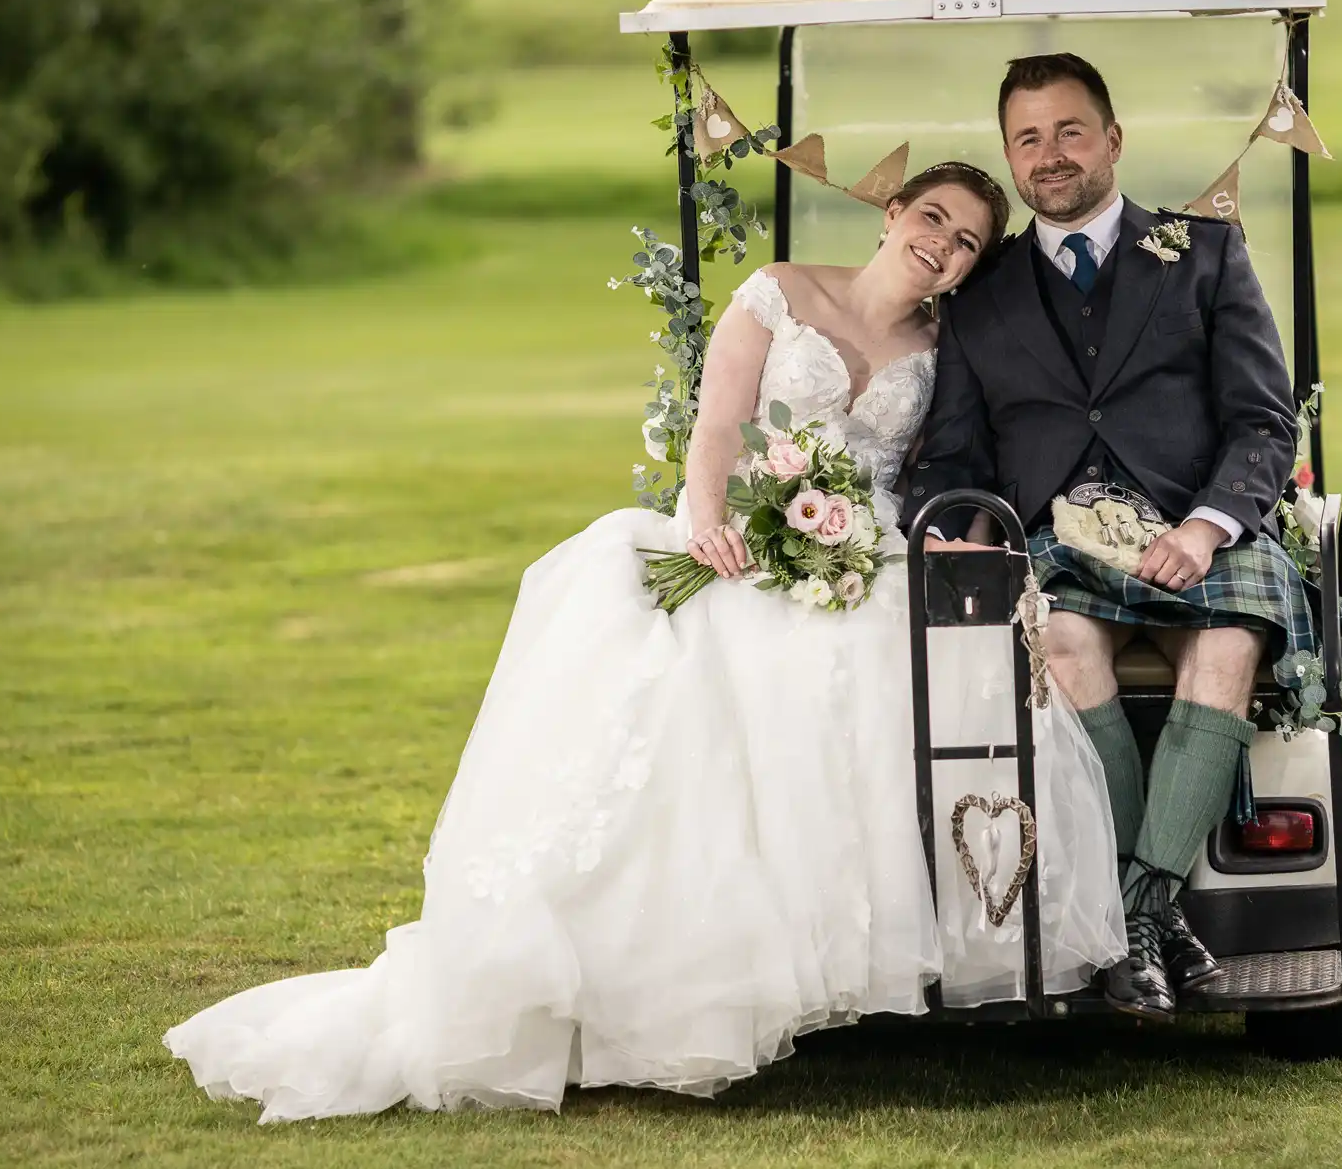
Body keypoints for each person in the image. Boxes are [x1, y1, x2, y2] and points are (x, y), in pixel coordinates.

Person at [164, 162, 1126, 1121]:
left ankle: (894, 951)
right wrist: (713, 521)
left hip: (859, 547)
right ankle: (688, 974)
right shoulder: (782, 292)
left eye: (964, 242)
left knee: (923, 679)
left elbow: (939, 460)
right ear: (890, 211)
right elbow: (717, 427)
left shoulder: (942, 341)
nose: (942, 245)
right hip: (740, 530)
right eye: (932, 218)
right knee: (726, 685)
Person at [900, 56, 1309, 1023]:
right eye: (1028, 139)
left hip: (1196, 527)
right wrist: (958, 533)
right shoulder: (978, 293)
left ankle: (1133, 920)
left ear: (1113, 140)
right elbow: (952, 450)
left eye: (1070, 131)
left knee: (1228, 643)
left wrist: (1208, 530)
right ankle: (1158, 922)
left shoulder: (1206, 253)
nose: (1050, 155)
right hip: (1056, 545)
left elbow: (1263, 421)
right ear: (1010, 155)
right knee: (1068, 645)